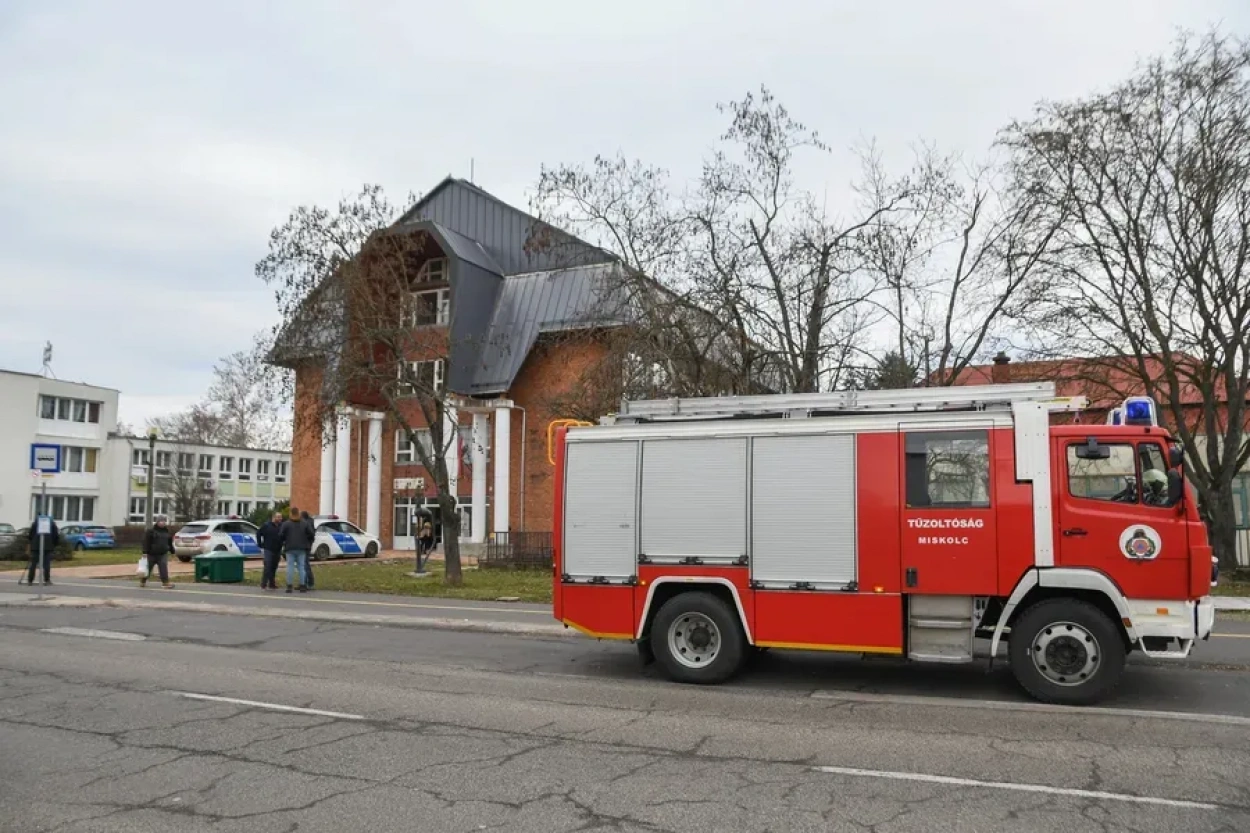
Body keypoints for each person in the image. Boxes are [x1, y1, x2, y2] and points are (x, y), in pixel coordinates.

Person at [279, 507, 312, 593]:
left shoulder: (286, 524)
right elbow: (311, 534)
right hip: (302, 548)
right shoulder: (304, 523)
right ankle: (302, 585)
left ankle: (289, 586)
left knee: (290, 567)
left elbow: (281, 535)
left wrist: (284, 541)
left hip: (290, 547)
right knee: (301, 567)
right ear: (298, 513)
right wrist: (307, 541)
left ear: (291, 513)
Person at [140, 515, 176, 589]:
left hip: (162, 554)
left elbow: (169, 543)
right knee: (148, 568)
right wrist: (144, 552)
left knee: (163, 567)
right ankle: (143, 581)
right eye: (160, 521)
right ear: (157, 522)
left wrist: (172, 551)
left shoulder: (166, 532)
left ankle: (165, 582)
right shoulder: (151, 531)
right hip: (151, 554)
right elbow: (146, 542)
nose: (162, 523)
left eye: (164, 521)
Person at [23, 515, 59, 586]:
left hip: (35, 546)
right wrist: (53, 544)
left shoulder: (35, 523)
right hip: (48, 546)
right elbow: (56, 536)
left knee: (33, 563)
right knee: (46, 564)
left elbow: (30, 535)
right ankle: (47, 580)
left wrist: (31, 543)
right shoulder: (52, 523)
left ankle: (30, 580)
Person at [257, 511, 284, 590]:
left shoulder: (281, 526)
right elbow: (258, 533)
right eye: (278, 517)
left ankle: (272, 583)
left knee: (274, 567)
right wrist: (260, 543)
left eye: (281, 517)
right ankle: (263, 583)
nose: (280, 519)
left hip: (278, 549)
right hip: (268, 549)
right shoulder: (266, 525)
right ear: (274, 517)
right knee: (267, 566)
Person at [300, 511, 316, 590]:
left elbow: (310, 534)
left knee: (305, 564)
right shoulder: (310, 522)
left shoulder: (305, 523)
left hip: (304, 545)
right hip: (308, 545)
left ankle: (307, 583)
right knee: (305, 564)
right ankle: (307, 582)